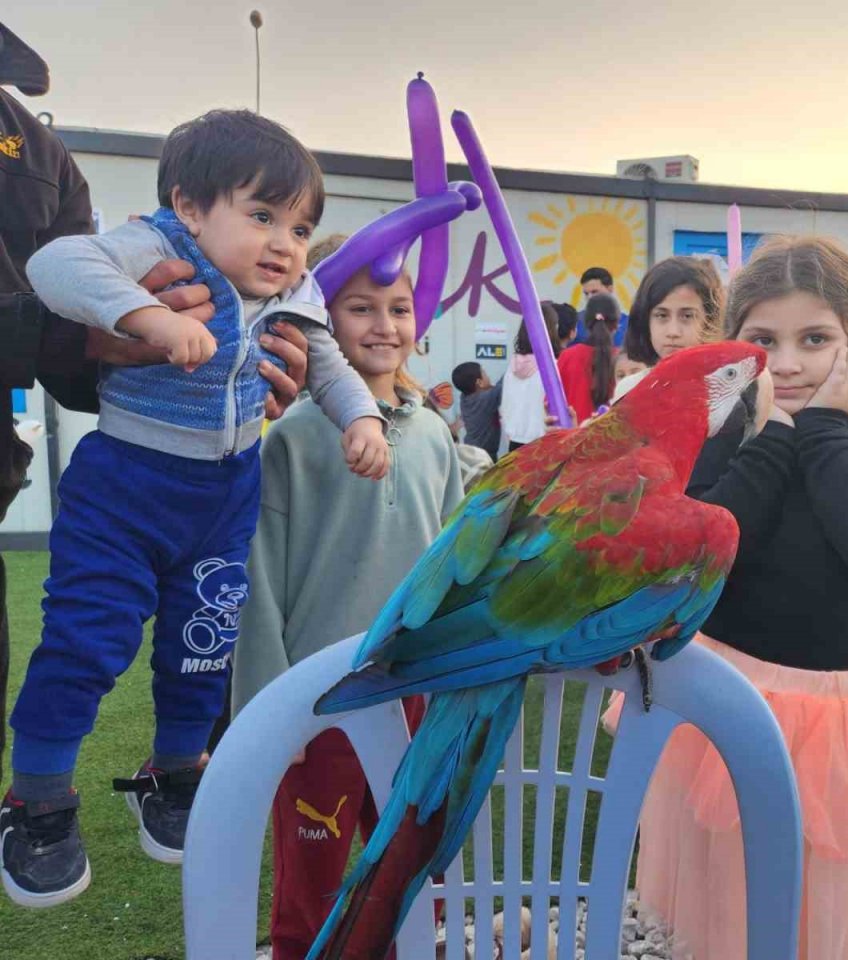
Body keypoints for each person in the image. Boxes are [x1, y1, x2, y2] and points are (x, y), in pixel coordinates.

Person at [2, 108, 381, 907]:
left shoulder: (293, 293)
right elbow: (58, 265)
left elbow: (329, 363)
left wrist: (364, 419)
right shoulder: (156, 244)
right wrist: (148, 317)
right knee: (87, 639)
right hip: (127, 489)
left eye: (302, 227)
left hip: (222, 495)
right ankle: (37, 799)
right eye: (263, 215)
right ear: (189, 205)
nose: (285, 242)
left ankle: (175, 774)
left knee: (204, 644)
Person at [615, 236, 848, 960]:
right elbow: (702, 546)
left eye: (816, 339)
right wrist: (772, 434)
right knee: (736, 883)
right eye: (764, 340)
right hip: (738, 696)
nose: (792, 361)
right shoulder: (728, 428)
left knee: (840, 894)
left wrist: (827, 428)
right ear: (735, 346)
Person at [232, 235, 464, 960]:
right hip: (317, 705)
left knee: (409, 875)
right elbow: (257, 583)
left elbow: (455, 562)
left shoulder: (435, 436)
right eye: (359, 307)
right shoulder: (293, 438)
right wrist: (271, 715)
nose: (384, 325)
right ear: (320, 321)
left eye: (397, 307)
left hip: (417, 697)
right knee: (313, 889)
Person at [613, 256, 722, 403]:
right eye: (662, 315)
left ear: (709, 321)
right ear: (645, 320)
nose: (673, 332)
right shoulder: (630, 389)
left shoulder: (723, 392)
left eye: (687, 316)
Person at [499, 302, 561, 451]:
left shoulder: (512, 365)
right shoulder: (553, 366)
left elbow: (505, 406)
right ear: (553, 329)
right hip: (543, 442)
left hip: (514, 441)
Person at [557, 293, 619, 424]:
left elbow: (551, 402)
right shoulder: (623, 360)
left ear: (586, 323)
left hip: (572, 439)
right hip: (612, 440)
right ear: (616, 324)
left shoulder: (567, 356)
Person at [451, 361, 503, 461]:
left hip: (470, 451)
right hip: (485, 456)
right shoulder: (486, 398)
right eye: (484, 373)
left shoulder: (465, 397)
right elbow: (505, 382)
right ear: (479, 382)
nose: (488, 375)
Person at [571, 266, 628, 346]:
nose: (589, 297)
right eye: (586, 293)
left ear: (610, 289)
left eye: (594, 292)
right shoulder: (575, 322)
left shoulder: (629, 324)